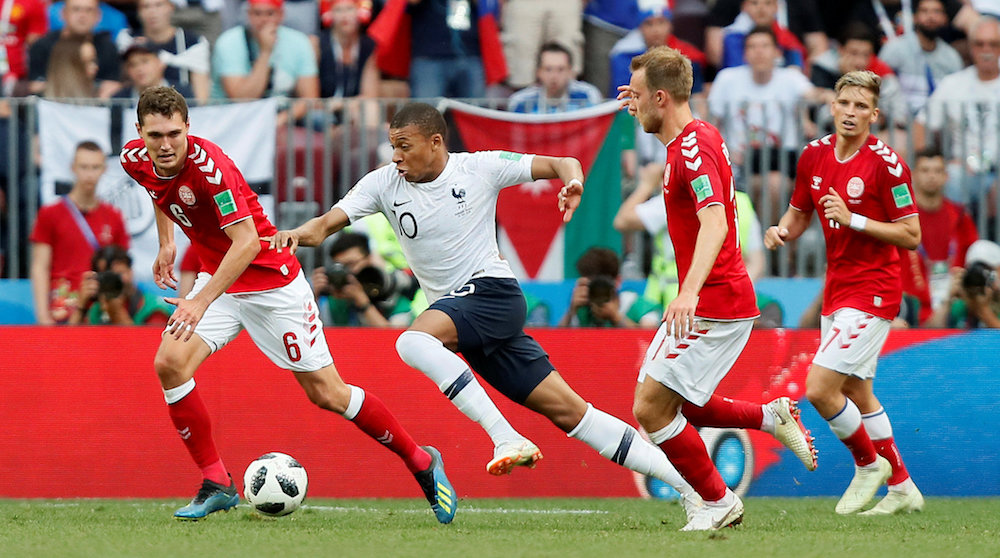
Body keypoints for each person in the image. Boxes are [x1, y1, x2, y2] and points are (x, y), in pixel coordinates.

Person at [267, 101, 816, 529]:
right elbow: (325, 224)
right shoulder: (384, 183)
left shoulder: (478, 169)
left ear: (436, 143)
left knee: (412, 343)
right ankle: (700, 491)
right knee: (574, 415)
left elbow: (559, 163)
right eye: (392, 146)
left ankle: (505, 437)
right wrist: (294, 235)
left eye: (405, 146)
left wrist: (573, 180)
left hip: (493, 295)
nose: (396, 156)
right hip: (463, 316)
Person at [119, 86, 456, 524]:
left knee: (328, 394)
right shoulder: (136, 158)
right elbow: (156, 187)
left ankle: (422, 462)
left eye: (174, 135)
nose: (165, 145)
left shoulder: (212, 170)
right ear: (139, 133)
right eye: (155, 136)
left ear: (188, 128)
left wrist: (200, 300)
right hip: (219, 283)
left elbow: (244, 244)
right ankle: (217, 482)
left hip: (270, 283)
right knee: (170, 363)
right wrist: (166, 242)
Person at [618, 45, 816, 531]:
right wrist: (642, 96)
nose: (633, 103)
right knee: (675, 404)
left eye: (639, 95)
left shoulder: (692, 148)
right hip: (712, 297)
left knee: (650, 407)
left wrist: (687, 291)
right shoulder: (687, 138)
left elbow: (714, 225)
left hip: (714, 300)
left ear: (661, 98)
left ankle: (716, 500)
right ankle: (770, 417)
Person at [765, 70, 925, 515]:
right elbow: (799, 213)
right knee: (856, 390)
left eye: (861, 107)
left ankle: (868, 464)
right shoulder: (813, 155)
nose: (851, 113)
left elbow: (911, 234)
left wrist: (853, 218)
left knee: (819, 388)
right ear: (831, 107)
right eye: (845, 104)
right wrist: (781, 230)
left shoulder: (888, 165)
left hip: (874, 291)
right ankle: (903, 488)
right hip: (837, 287)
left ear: (875, 114)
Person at [30, 141, 129, 325]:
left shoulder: (114, 217)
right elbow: (40, 267)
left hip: (100, 305)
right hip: (64, 302)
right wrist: (43, 317)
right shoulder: (50, 214)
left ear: (104, 169)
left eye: (95, 167)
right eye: (84, 167)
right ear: (73, 168)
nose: (89, 174)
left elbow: (122, 268)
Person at [899, 147, 978, 326]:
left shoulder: (960, 216)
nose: (931, 176)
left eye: (938, 171)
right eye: (925, 170)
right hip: (910, 306)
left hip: (956, 303)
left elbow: (973, 255)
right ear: (913, 175)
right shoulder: (901, 218)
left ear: (946, 176)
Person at [211, 0, 318, 124]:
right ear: (248, 15)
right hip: (233, 118)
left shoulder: (299, 42)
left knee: (318, 120)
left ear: (281, 15)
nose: (263, 20)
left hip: (281, 117)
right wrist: (265, 52)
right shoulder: (229, 41)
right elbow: (242, 98)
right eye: (257, 14)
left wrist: (281, 120)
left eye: (270, 14)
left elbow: (310, 98)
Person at [311, 231, 420, 327]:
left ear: (370, 258)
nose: (347, 273)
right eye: (340, 267)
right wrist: (313, 297)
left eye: (351, 264)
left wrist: (362, 302)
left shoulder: (390, 294)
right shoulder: (334, 299)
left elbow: (392, 338)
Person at [877, 0, 963, 116]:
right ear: (914, 17)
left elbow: (956, 100)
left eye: (936, 12)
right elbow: (877, 90)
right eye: (924, 11)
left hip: (938, 129)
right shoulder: (894, 49)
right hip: (898, 127)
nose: (930, 17)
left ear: (945, 19)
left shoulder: (952, 57)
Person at [115, 0, 211, 104]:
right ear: (138, 11)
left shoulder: (192, 42)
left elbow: (201, 97)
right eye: (145, 6)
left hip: (180, 107)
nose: (152, 12)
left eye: (159, 5)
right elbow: (124, 80)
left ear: (171, 7)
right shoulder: (127, 39)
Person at [28, 0, 121, 98]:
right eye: (76, 9)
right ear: (63, 13)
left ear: (98, 16)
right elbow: (35, 87)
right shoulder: (42, 46)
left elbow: (112, 88)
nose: (82, 16)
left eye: (89, 10)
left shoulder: (108, 47)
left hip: (95, 110)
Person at [557, 246, 663, 328]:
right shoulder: (582, 310)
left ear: (617, 281)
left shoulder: (639, 306)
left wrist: (616, 317)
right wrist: (571, 311)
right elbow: (556, 345)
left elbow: (649, 340)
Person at [70, 244, 174, 325]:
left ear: (131, 271)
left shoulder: (153, 309)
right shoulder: (97, 310)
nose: (113, 282)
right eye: (107, 277)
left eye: (119, 274)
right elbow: (69, 345)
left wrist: (116, 313)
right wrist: (81, 307)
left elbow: (144, 349)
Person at [508, 42, 602, 114]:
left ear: (570, 72)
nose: (554, 76)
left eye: (560, 69)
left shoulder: (588, 96)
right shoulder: (521, 102)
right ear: (538, 72)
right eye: (548, 69)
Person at [113, 43, 195, 100]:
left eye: (144, 61)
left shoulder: (183, 94)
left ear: (160, 63)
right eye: (132, 64)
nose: (139, 69)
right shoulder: (119, 99)